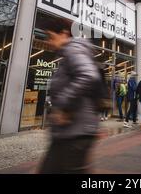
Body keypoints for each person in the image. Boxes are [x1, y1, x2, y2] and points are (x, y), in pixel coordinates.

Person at [39, 18, 100, 174]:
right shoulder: (69, 53)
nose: (50, 42)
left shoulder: (74, 50)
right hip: (69, 131)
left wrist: (63, 105)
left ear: (64, 33)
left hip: (76, 132)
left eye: (51, 37)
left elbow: (88, 75)